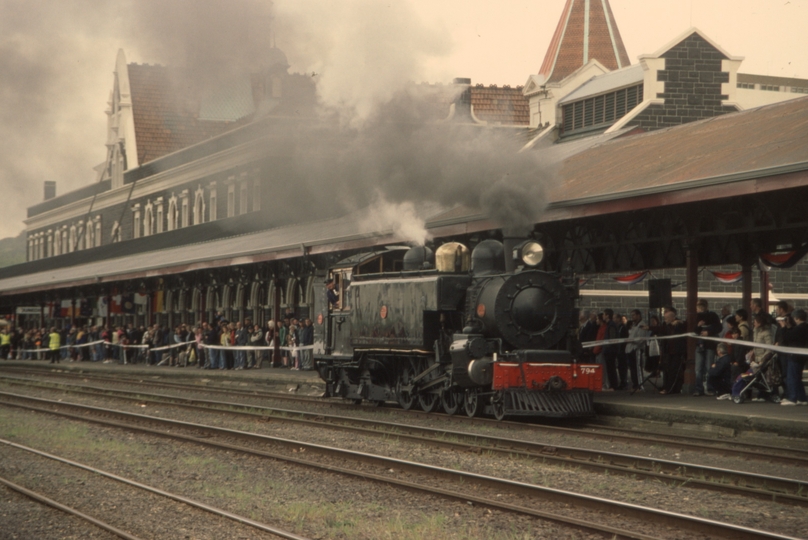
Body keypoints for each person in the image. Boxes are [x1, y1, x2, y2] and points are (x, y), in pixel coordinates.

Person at [693, 299, 722, 396]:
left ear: (706, 307)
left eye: (701, 307)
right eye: (698, 307)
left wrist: (708, 332)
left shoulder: (713, 316)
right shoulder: (696, 317)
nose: (700, 309)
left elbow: (718, 327)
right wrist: (698, 325)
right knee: (698, 368)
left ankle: (710, 388)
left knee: (709, 366)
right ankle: (698, 388)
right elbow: (694, 330)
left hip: (709, 344)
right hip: (700, 344)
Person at [781, 309, 808, 406]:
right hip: (802, 356)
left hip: (795, 356)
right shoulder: (805, 327)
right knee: (797, 377)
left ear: (797, 318)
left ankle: (792, 398)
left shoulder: (799, 328)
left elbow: (787, 337)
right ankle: (802, 398)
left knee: (792, 377)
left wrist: (784, 327)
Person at [660, 307, 686, 395]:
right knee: (668, 370)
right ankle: (668, 387)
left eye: (667, 318)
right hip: (669, 351)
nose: (665, 319)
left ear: (672, 317)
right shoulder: (667, 326)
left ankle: (670, 388)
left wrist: (679, 321)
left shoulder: (678, 324)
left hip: (677, 352)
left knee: (674, 371)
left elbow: (687, 325)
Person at [625, 309, 649, 391]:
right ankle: (635, 384)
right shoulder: (634, 325)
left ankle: (640, 385)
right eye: (631, 315)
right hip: (630, 349)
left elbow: (641, 339)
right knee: (632, 368)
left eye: (634, 315)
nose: (632, 317)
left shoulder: (642, 325)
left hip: (637, 349)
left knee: (637, 368)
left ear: (638, 315)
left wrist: (632, 340)